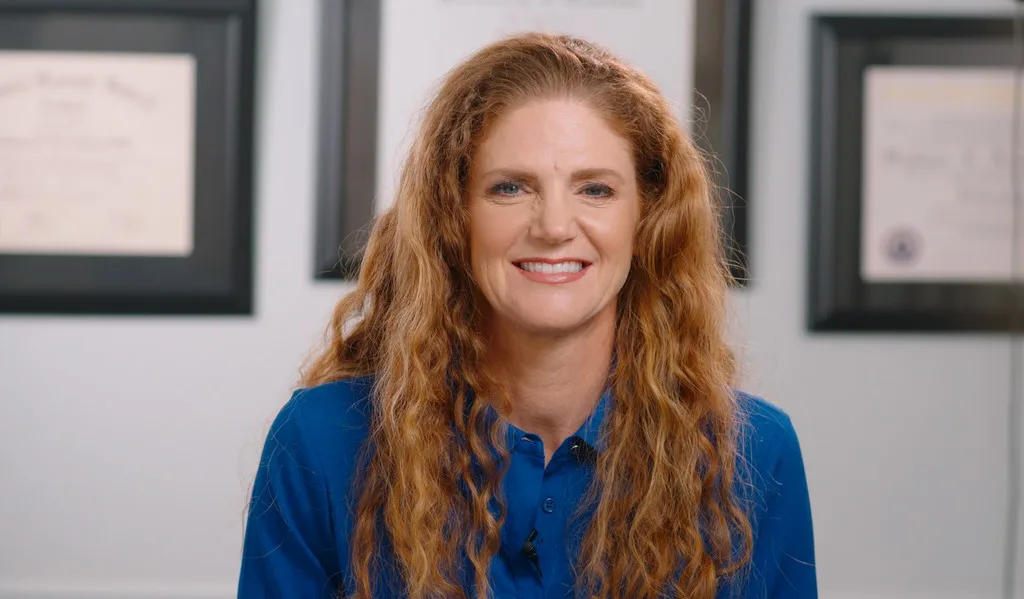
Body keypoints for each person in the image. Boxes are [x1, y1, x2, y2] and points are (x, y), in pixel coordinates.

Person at [237, 32, 816, 599]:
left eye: (596, 190)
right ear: (453, 217)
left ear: (648, 219)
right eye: (511, 188)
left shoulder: (754, 454)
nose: (555, 226)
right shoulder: (320, 440)